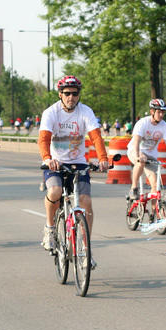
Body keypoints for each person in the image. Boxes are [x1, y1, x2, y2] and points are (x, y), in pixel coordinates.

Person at [39, 75, 109, 268]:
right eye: (67, 93)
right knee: (54, 192)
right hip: (56, 164)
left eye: (75, 93)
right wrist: (47, 159)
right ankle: (50, 228)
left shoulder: (85, 111)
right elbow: (44, 139)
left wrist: (103, 158)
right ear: (60, 94)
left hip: (78, 163)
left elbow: (96, 137)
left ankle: (86, 252)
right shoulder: (51, 112)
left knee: (86, 202)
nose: (71, 97)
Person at [127, 99, 166, 201]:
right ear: (152, 112)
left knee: (155, 185)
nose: (161, 115)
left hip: (151, 155)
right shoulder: (143, 123)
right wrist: (137, 156)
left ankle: (154, 213)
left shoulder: (165, 126)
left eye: (163, 112)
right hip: (135, 150)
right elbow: (136, 141)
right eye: (159, 112)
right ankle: (134, 188)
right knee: (142, 160)